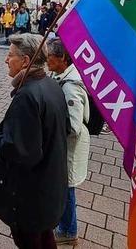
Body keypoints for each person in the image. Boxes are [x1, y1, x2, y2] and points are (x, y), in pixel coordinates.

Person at [0, 33, 67, 248]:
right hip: (48, 189)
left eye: (10, 55)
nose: (6, 59)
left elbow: (20, 152)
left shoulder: (27, 95)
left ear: (25, 61)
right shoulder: (50, 84)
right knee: (45, 237)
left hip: (29, 198)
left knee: (29, 241)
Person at [47, 38, 89, 246]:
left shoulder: (71, 86)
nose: (47, 61)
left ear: (62, 58)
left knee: (67, 189)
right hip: (62, 147)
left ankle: (69, 231)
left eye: (50, 57)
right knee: (64, 187)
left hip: (68, 148)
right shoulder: (62, 74)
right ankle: (65, 226)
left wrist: (47, 129)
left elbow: (73, 127)